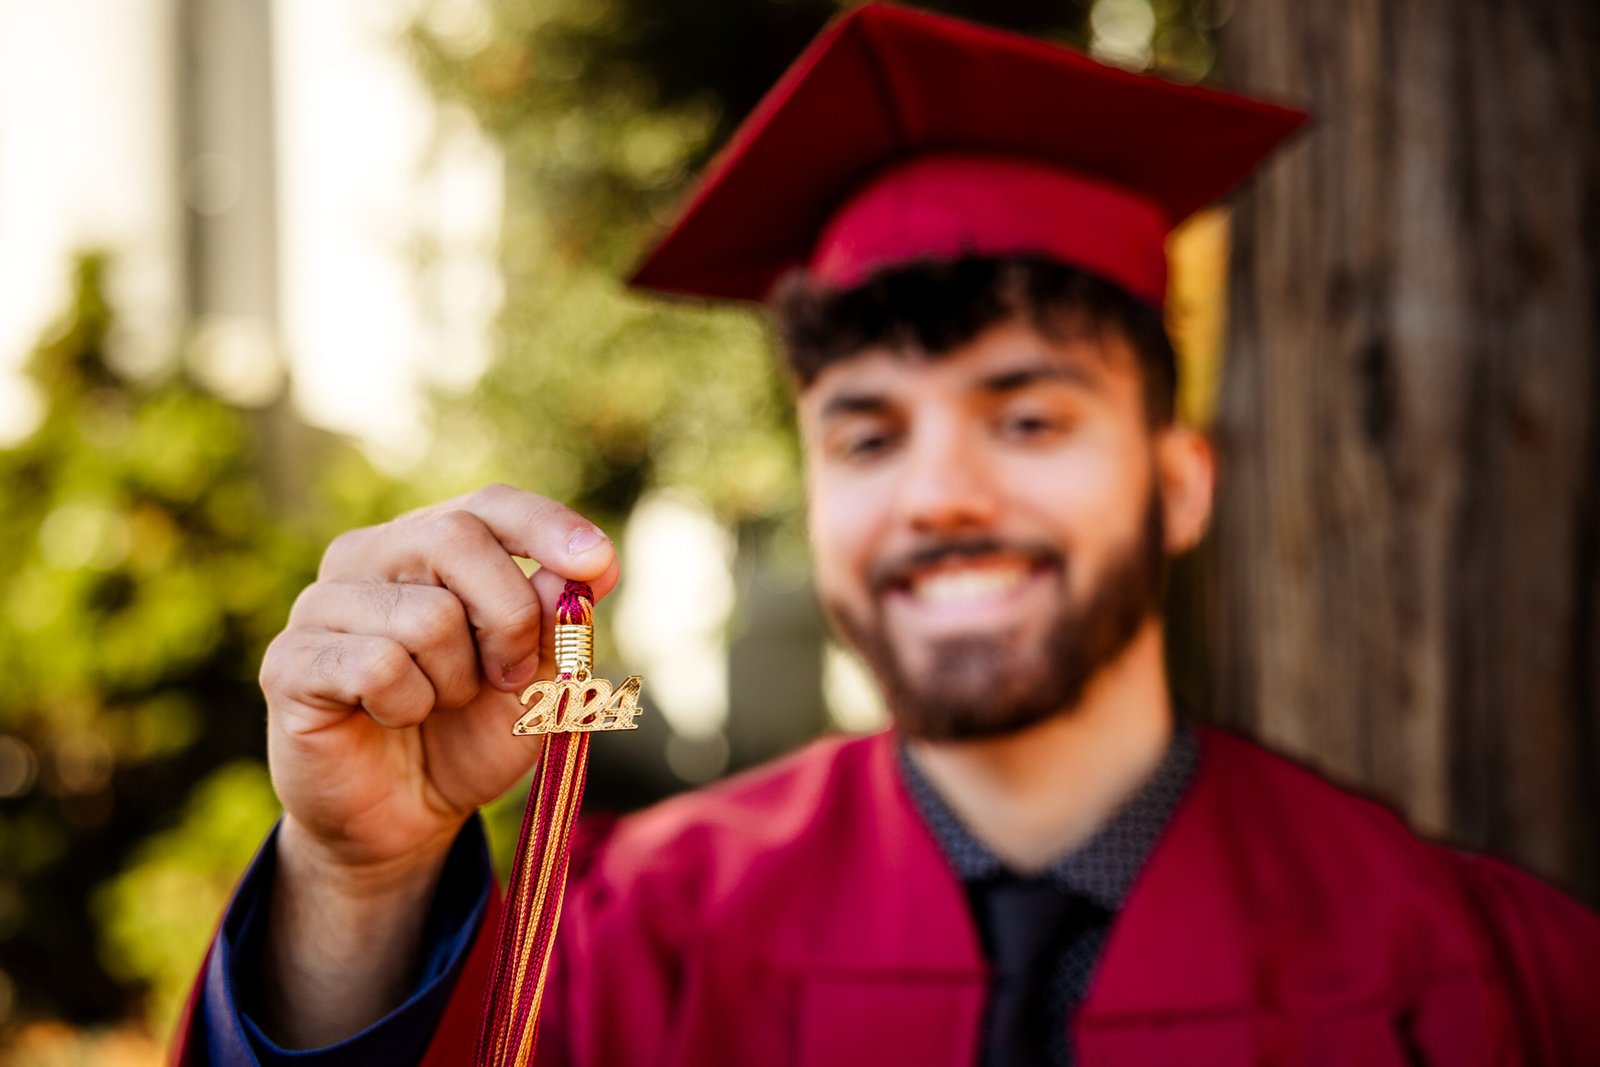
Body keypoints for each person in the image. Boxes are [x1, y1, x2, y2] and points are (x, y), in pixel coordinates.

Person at [175, 6, 1600, 1066]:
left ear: (1180, 481)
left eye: (1028, 417)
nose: (938, 495)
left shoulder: (1487, 974)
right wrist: (357, 886)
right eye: (868, 432)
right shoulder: (622, 943)